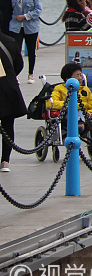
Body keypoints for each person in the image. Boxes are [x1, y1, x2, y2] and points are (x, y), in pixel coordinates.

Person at [0, 29, 28, 172]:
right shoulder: (10, 41)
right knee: (8, 125)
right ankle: (5, 160)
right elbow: (19, 65)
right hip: (8, 89)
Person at [48, 62, 92, 136]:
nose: (80, 78)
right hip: (66, 116)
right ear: (68, 79)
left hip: (85, 115)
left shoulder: (85, 90)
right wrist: (68, 105)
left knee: (81, 111)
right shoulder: (59, 89)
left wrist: (90, 113)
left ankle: (80, 122)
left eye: (81, 75)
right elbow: (50, 103)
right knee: (73, 110)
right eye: (77, 75)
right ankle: (79, 123)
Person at [9, 0, 41, 84]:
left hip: (30, 26)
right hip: (15, 26)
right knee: (16, 50)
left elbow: (38, 10)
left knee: (31, 50)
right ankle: (16, 74)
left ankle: (30, 74)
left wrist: (25, 16)